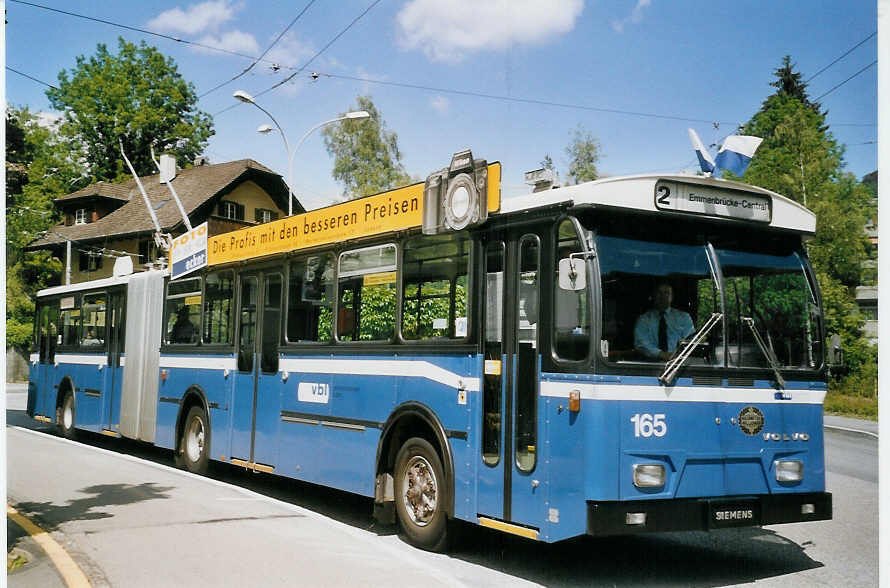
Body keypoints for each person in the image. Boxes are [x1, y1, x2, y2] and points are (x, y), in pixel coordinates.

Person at [634, 282, 694, 361]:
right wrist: (661, 354)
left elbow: (690, 342)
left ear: (672, 297)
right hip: (650, 365)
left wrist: (677, 356)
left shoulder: (684, 318)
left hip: (678, 364)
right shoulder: (644, 319)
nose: (662, 296)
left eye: (666, 293)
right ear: (653, 295)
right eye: (659, 292)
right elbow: (640, 343)